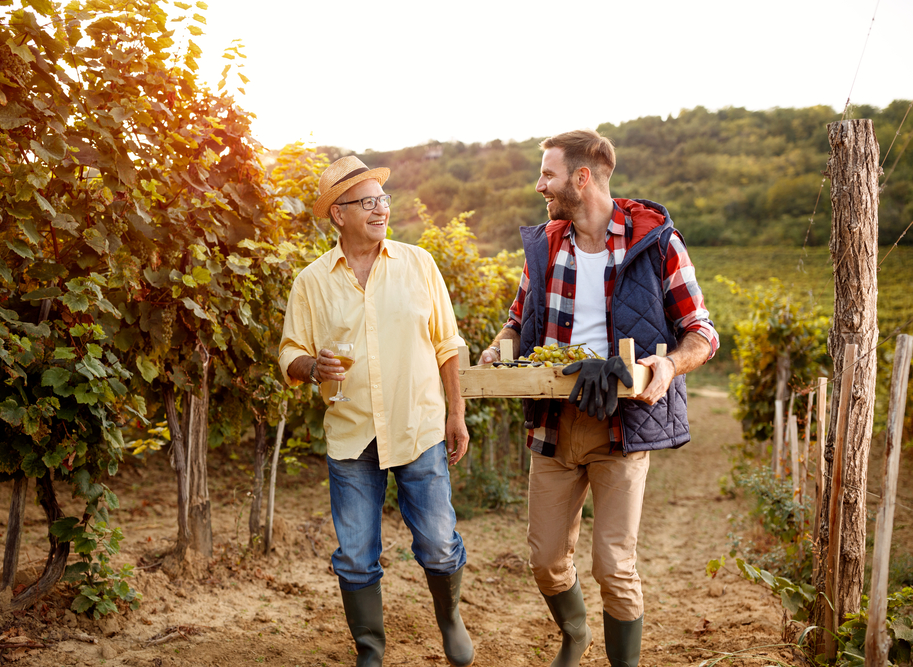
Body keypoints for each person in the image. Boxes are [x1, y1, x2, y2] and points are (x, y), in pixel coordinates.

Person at [478, 130, 719, 667]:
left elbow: (702, 331)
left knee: (614, 565)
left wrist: (667, 364)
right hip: (554, 420)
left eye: (548, 174)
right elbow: (517, 323)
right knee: (544, 559)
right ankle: (574, 632)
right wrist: (499, 351)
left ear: (580, 179)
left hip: (622, 423)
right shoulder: (546, 246)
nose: (539, 184)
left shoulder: (655, 243)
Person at [279, 156, 474, 667]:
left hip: (418, 424)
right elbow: (289, 352)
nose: (380, 209)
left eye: (382, 200)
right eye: (366, 202)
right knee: (356, 554)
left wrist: (457, 413)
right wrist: (310, 366)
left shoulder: (419, 264)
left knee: (436, 542)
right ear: (338, 215)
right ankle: (370, 648)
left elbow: (447, 345)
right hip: (351, 432)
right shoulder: (312, 282)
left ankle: (450, 618)